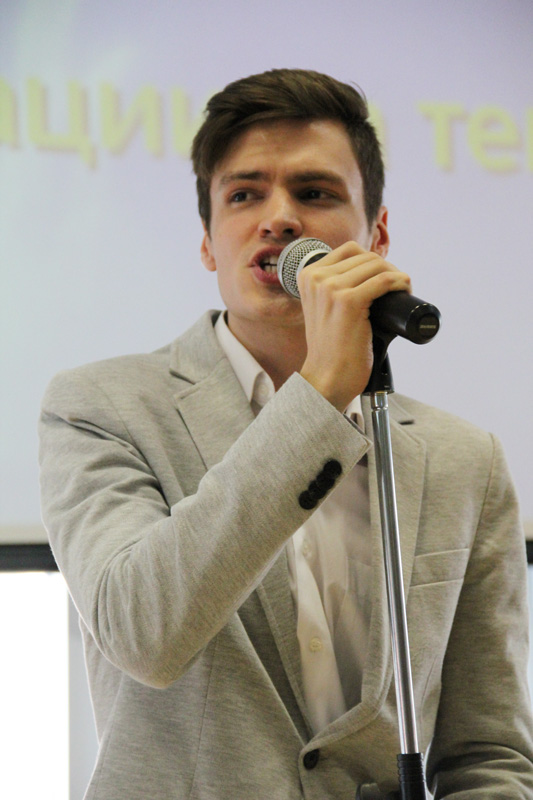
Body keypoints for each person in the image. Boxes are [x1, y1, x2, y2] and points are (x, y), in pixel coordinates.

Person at [39, 69, 533, 799]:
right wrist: (319, 397)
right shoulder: (100, 407)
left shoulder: (466, 460)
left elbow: (488, 754)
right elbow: (144, 634)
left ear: (376, 234)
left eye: (315, 193)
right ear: (208, 243)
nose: (279, 218)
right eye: (244, 195)